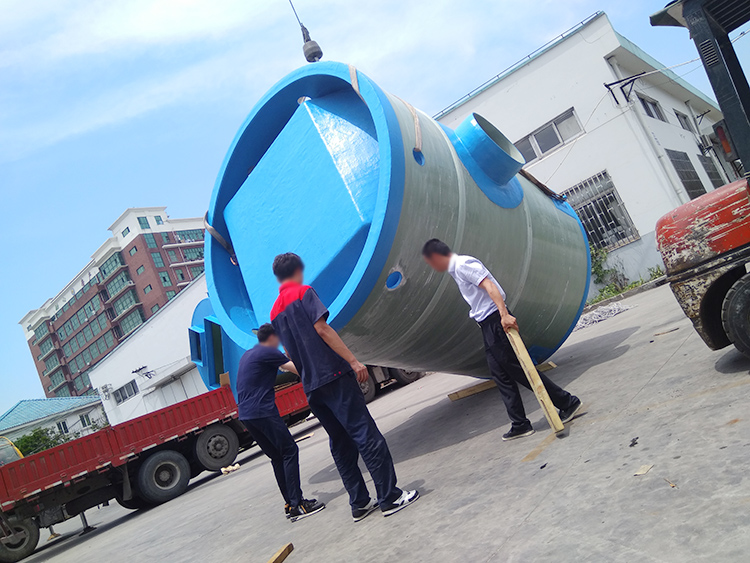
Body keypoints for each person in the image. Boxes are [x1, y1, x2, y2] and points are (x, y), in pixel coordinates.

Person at [269, 252, 419, 521]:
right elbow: (322, 329)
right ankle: (389, 497)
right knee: (366, 435)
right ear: (298, 270)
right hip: (334, 376)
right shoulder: (303, 292)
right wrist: (353, 361)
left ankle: (359, 503)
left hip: (312, 386)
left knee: (340, 444)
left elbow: (289, 353)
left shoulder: (274, 312)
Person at [422, 239, 582, 441]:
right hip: (487, 326)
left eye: (430, 262)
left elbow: (489, 285)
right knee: (500, 375)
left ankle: (568, 403)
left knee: (520, 370)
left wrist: (504, 315)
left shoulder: (463, 264)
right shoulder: (455, 270)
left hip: (496, 321)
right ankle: (520, 424)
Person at [236, 323, 325, 522]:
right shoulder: (268, 352)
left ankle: (289, 503)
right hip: (262, 411)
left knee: (277, 457)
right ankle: (298, 504)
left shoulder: (248, 354)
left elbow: (280, 366)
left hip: (246, 415)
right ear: (272, 338)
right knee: (290, 451)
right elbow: (296, 369)